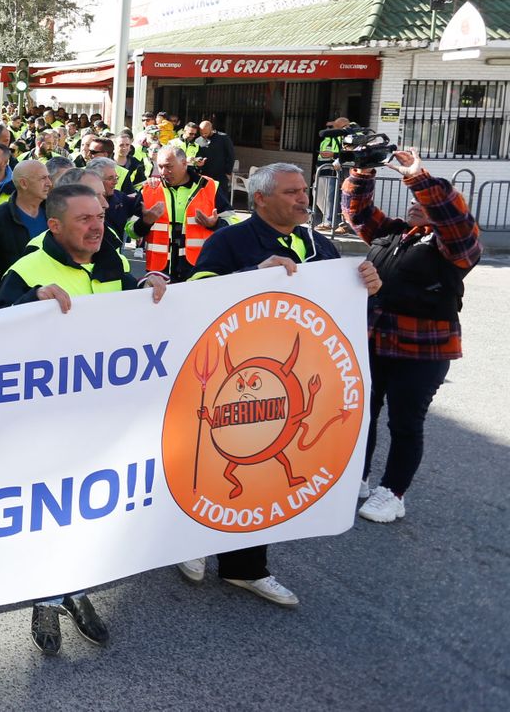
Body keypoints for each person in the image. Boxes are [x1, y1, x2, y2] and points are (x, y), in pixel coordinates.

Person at [173, 162, 381, 607]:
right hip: (232, 380)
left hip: (288, 381)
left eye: (304, 190)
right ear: (261, 199)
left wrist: (366, 282)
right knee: (213, 462)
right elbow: (198, 290)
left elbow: (342, 298)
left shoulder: (314, 242)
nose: (303, 198)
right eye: (291, 192)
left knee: (262, 472)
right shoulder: (229, 241)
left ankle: (245, 568)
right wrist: (252, 275)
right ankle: (188, 542)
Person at [0, 183, 167, 655]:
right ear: (54, 226)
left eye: (101, 216)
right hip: (41, 421)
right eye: (85, 219)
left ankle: (77, 589)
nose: (97, 226)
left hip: (100, 417)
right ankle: (46, 599)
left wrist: (146, 284)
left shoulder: (110, 255)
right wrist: (27, 301)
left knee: (88, 511)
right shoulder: (26, 269)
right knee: (46, 512)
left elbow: (126, 302)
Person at [342, 149, 479, 524]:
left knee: (405, 422)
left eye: (423, 201)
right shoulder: (395, 232)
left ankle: (393, 492)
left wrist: (419, 176)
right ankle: (358, 476)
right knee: (361, 413)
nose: (416, 204)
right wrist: (362, 171)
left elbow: (452, 216)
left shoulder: (457, 246)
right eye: (414, 199)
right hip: (374, 341)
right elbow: (358, 213)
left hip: (423, 351)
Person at [136, 145, 224, 284]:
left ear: (184, 163)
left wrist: (215, 224)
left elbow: (233, 223)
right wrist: (145, 222)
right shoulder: (149, 189)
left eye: (168, 166)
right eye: (160, 166)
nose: (164, 172)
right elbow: (131, 230)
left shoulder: (209, 186)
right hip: (159, 270)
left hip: (198, 267)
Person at [0, 159, 51, 292]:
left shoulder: (54, 214)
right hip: (13, 301)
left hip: (50, 296)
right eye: (43, 178)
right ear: (24, 183)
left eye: (48, 177)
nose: (49, 183)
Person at [197, 120, 235, 188]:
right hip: (204, 176)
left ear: (211, 129)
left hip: (221, 176)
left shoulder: (223, 138)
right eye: (201, 133)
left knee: (220, 197)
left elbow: (231, 155)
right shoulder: (198, 141)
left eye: (205, 133)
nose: (203, 135)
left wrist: (228, 172)